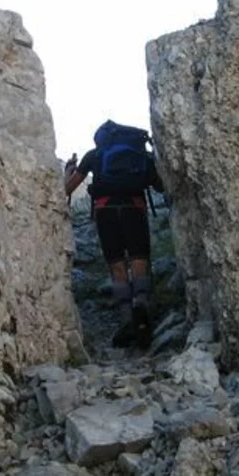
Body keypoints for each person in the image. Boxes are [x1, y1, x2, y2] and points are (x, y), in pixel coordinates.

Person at [64, 121, 164, 347]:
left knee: (117, 264)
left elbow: (68, 189)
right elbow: (159, 186)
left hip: (105, 212)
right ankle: (141, 305)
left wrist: (67, 173)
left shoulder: (93, 155)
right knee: (139, 259)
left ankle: (128, 320)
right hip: (134, 208)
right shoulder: (139, 154)